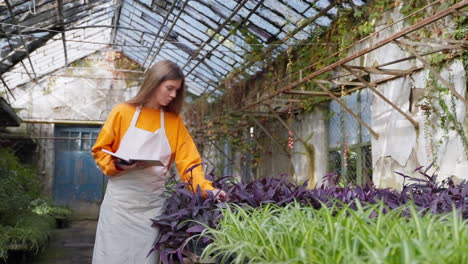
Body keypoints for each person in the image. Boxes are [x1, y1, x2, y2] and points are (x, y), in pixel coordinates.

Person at [90, 60, 225, 264]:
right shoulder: (122, 112)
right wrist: (119, 164)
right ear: (154, 83)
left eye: (176, 91)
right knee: (112, 257)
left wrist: (208, 189)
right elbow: (100, 151)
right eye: (169, 88)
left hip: (151, 209)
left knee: (145, 259)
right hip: (119, 206)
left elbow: (190, 165)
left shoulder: (174, 122)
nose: (173, 95)